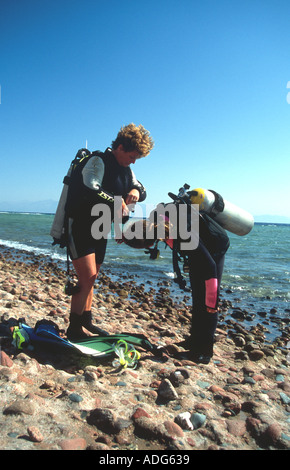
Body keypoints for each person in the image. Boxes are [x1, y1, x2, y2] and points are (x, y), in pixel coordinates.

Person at [65, 123, 154, 340]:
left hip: (100, 229)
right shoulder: (98, 160)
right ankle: (74, 329)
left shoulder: (127, 170)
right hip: (80, 226)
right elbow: (91, 186)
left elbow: (142, 189)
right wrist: (115, 202)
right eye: (132, 156)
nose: (134, 161)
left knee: (92, 279)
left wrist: (135, 190)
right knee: (87, 277)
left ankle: (86, 320)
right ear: (121, 147)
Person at [122, 197, 230, 364]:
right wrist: (126, 236)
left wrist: (212, 300)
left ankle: (204, 353)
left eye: (145, 246)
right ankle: (194, 341)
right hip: (199, 248)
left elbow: (210, 268)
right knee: (197, 297)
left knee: (207, 304)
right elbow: (139, 234)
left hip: (215, 248)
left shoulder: (181, 234)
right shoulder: (154, 222)